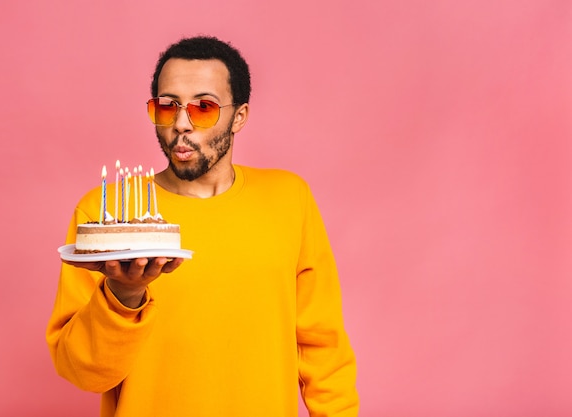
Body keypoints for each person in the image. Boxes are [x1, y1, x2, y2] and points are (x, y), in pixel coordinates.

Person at [46, 36, 359, 417]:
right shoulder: (108, 213)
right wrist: (123, 294)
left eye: (204, 107)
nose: (181, 124)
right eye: (167, 106)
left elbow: (323, 348)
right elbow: (81, 373)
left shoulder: (289, 199)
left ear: (239, 116)